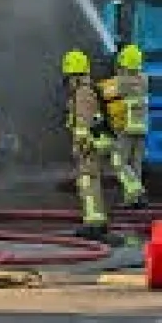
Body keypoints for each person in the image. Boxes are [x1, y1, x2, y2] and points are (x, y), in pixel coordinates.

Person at [63, 50, 146, 242]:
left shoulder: (83, 93)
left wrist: (82, 145)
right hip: (110, 138)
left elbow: (83, 124)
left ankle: (94, 223)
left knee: (89, 181)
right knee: (96, 178)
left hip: (92, 144)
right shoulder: (140, 80)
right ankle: (97, 219)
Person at [98, 44, 149, 200]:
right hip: (141, 128)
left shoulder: (123, 81)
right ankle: (134, 199)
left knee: (118, 161)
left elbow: (105, 91)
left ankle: (136, 190)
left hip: (126, 128)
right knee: (135, 165)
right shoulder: (144, 79)